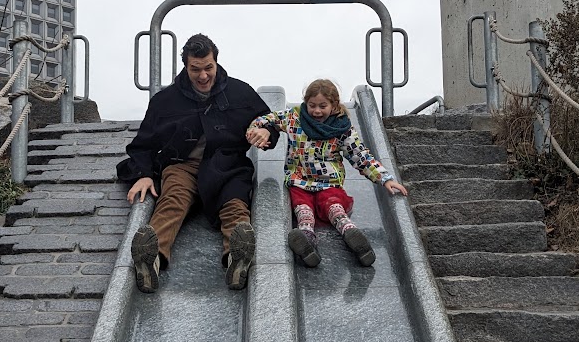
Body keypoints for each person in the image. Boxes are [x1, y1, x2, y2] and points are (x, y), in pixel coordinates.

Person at [117, 34, 278, 292]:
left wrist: (267, 132)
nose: (203, 76)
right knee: (171, 202)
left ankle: (237, 258)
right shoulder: (165, 101)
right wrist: (144, 174)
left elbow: (269, 121)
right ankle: (152, 258)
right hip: (182, 166)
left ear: (216, 62)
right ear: (185, 66)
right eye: (195, 69)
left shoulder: (240, 92)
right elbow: (142, 145)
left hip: (228, 165)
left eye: (208, 68)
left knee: (235, 206)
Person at [245, 78, 408, 268]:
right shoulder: (294, 117)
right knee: (303, 209)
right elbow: (268, 118)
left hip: (329, 183)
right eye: (312, 105)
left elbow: (360, 155)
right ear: (305, 103)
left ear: (334, 105)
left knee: (333, 206)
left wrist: (384, 178)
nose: (316, 111)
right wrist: (256, 129)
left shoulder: (342, 129)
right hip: (300, 181)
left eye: (323, 106)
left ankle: (353, 235)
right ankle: (306, 241)